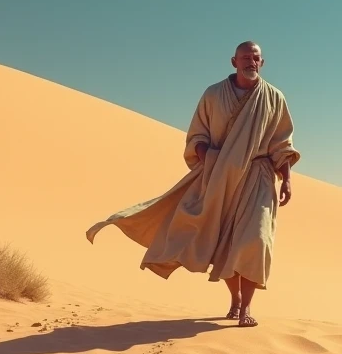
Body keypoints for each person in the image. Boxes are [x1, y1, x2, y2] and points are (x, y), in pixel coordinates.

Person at [86, 41, 301, 327]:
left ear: (262, 63)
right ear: (233, 61)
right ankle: (235, 300)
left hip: (258, 175)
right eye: (245, 57)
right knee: (223, 240)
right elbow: (197, 136)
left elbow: (282, 144)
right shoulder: (213, 95)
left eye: (256, 58)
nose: (251, 62)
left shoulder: (274, 98)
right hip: (219, 175)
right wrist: (210, 160)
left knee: (255, 239)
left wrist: (286, 179)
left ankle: (246, 307)